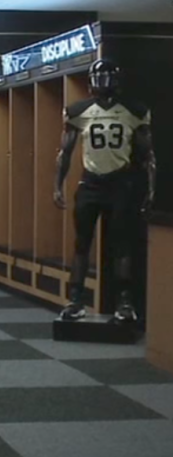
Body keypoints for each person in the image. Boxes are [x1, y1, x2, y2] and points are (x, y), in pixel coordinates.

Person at [54, 59, 155, 322]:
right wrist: (58, 185)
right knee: (81, 244)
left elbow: (147, 155)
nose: (102, 83)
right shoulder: (78, 110)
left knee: (122, 244)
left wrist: (150, 189)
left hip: (120, 183)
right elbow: (65, 152)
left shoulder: (134, 111)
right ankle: (75, 299)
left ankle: (124, 301)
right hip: (91, 183)